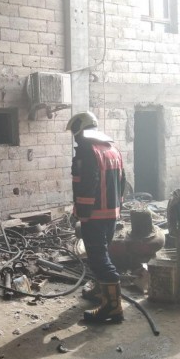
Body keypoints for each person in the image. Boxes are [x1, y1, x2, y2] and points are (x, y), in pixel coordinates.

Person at [66, 111, 126, 323]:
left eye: (74, 132)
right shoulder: (112, 149)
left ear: (79, 130)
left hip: (94, 216)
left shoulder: (87, 151)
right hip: (111, 214)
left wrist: (81, 215)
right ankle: (101, 291)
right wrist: (118, 207)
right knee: (103, 253)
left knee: (98, 259)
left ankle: (112, 307)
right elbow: (123, 181)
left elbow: (86, 185)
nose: (74, 138)